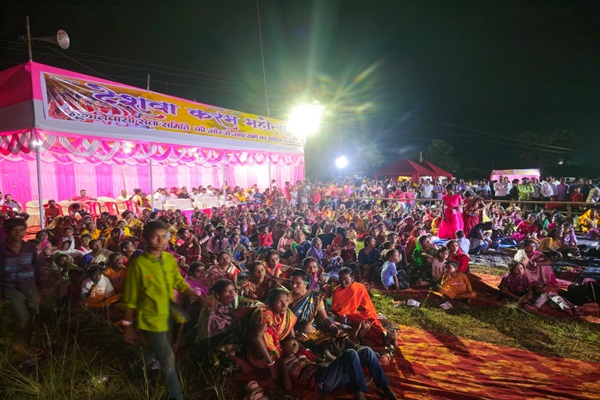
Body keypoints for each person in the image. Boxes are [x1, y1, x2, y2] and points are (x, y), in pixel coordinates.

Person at [121, 221, 201, 400]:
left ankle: (138, 367)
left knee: (157, 348)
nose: (160, 241)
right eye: (154, 237)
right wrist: (127, 325)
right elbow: (131, 298)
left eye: (164, 236)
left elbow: (179, 282)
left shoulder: (169, 260)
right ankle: (176, 396)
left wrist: (197, 296)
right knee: (168, 357)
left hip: (169, 314)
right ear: (145, 238)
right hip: (150, 318)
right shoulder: (139, 265)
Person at [281, 337, 399, 400]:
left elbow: (321, 361)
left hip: (328, 375)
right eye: (292, 343)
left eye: (296, 343)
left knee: (366, 351)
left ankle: (386, 389)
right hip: (319, 382)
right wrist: (283, 365)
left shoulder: (303, 353)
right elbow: (288, 386)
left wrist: (335, 362)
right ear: (283, 348)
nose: (296, 345)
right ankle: (359, 394)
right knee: (350, 353)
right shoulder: (284, 363)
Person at [0, 218, 42, 360]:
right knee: (23, 317)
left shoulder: (30, 248)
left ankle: (27, 345)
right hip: (12, 289)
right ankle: (18, 346)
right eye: (14, 230)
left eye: (21, 230)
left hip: (30, 287)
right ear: (7, 232)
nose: (18, 234)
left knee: (33, 316)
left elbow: (37, 267)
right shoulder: (2, 251)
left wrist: (41, 287)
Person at [331, 268, 393, 348]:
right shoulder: (337, 290)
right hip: (346, 316)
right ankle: (382, 341)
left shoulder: (358, 288)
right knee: (364, 325)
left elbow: (366, 305)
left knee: (373, 322)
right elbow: (336, 309)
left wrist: (362, 313)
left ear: (352, 278)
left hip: (358, 313)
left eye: (346, 279)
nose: (343, 282)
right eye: (341, 279)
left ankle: (384, 338)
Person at [247, 288, 297, 378]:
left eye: (286, 300)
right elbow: (257, 337)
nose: (284, 304)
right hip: (258, 350)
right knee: (270, 373)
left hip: (275, 345)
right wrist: (271, 364)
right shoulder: (267, 314)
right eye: (280, 301)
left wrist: (293, 345)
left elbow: (292, 336)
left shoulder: (287, 314)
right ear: (271, 304)